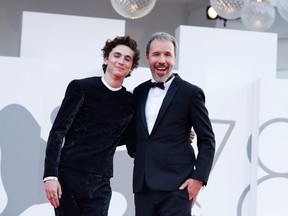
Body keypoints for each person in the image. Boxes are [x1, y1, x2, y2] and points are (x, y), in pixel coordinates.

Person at [43, 35, 140, 216]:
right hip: (69, 176)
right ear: (106, 59)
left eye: (127, 59)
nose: (121, 61)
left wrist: (177, 133)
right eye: (116, 55)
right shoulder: (81, 87)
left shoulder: (130, 102)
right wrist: (50, 175)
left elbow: (132, 143)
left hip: (101, 183)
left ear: (132, 67)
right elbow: (58, 132)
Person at [127, 32, 215, 216]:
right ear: (147, 58)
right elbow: (135, 134)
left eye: (167, 54)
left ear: (174, 58)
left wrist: (198, 179)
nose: (162, 60)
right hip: (143, 187)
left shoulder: (190, 93)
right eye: (156, 54)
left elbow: (207, 139)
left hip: (177, 187)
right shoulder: (139, 92)